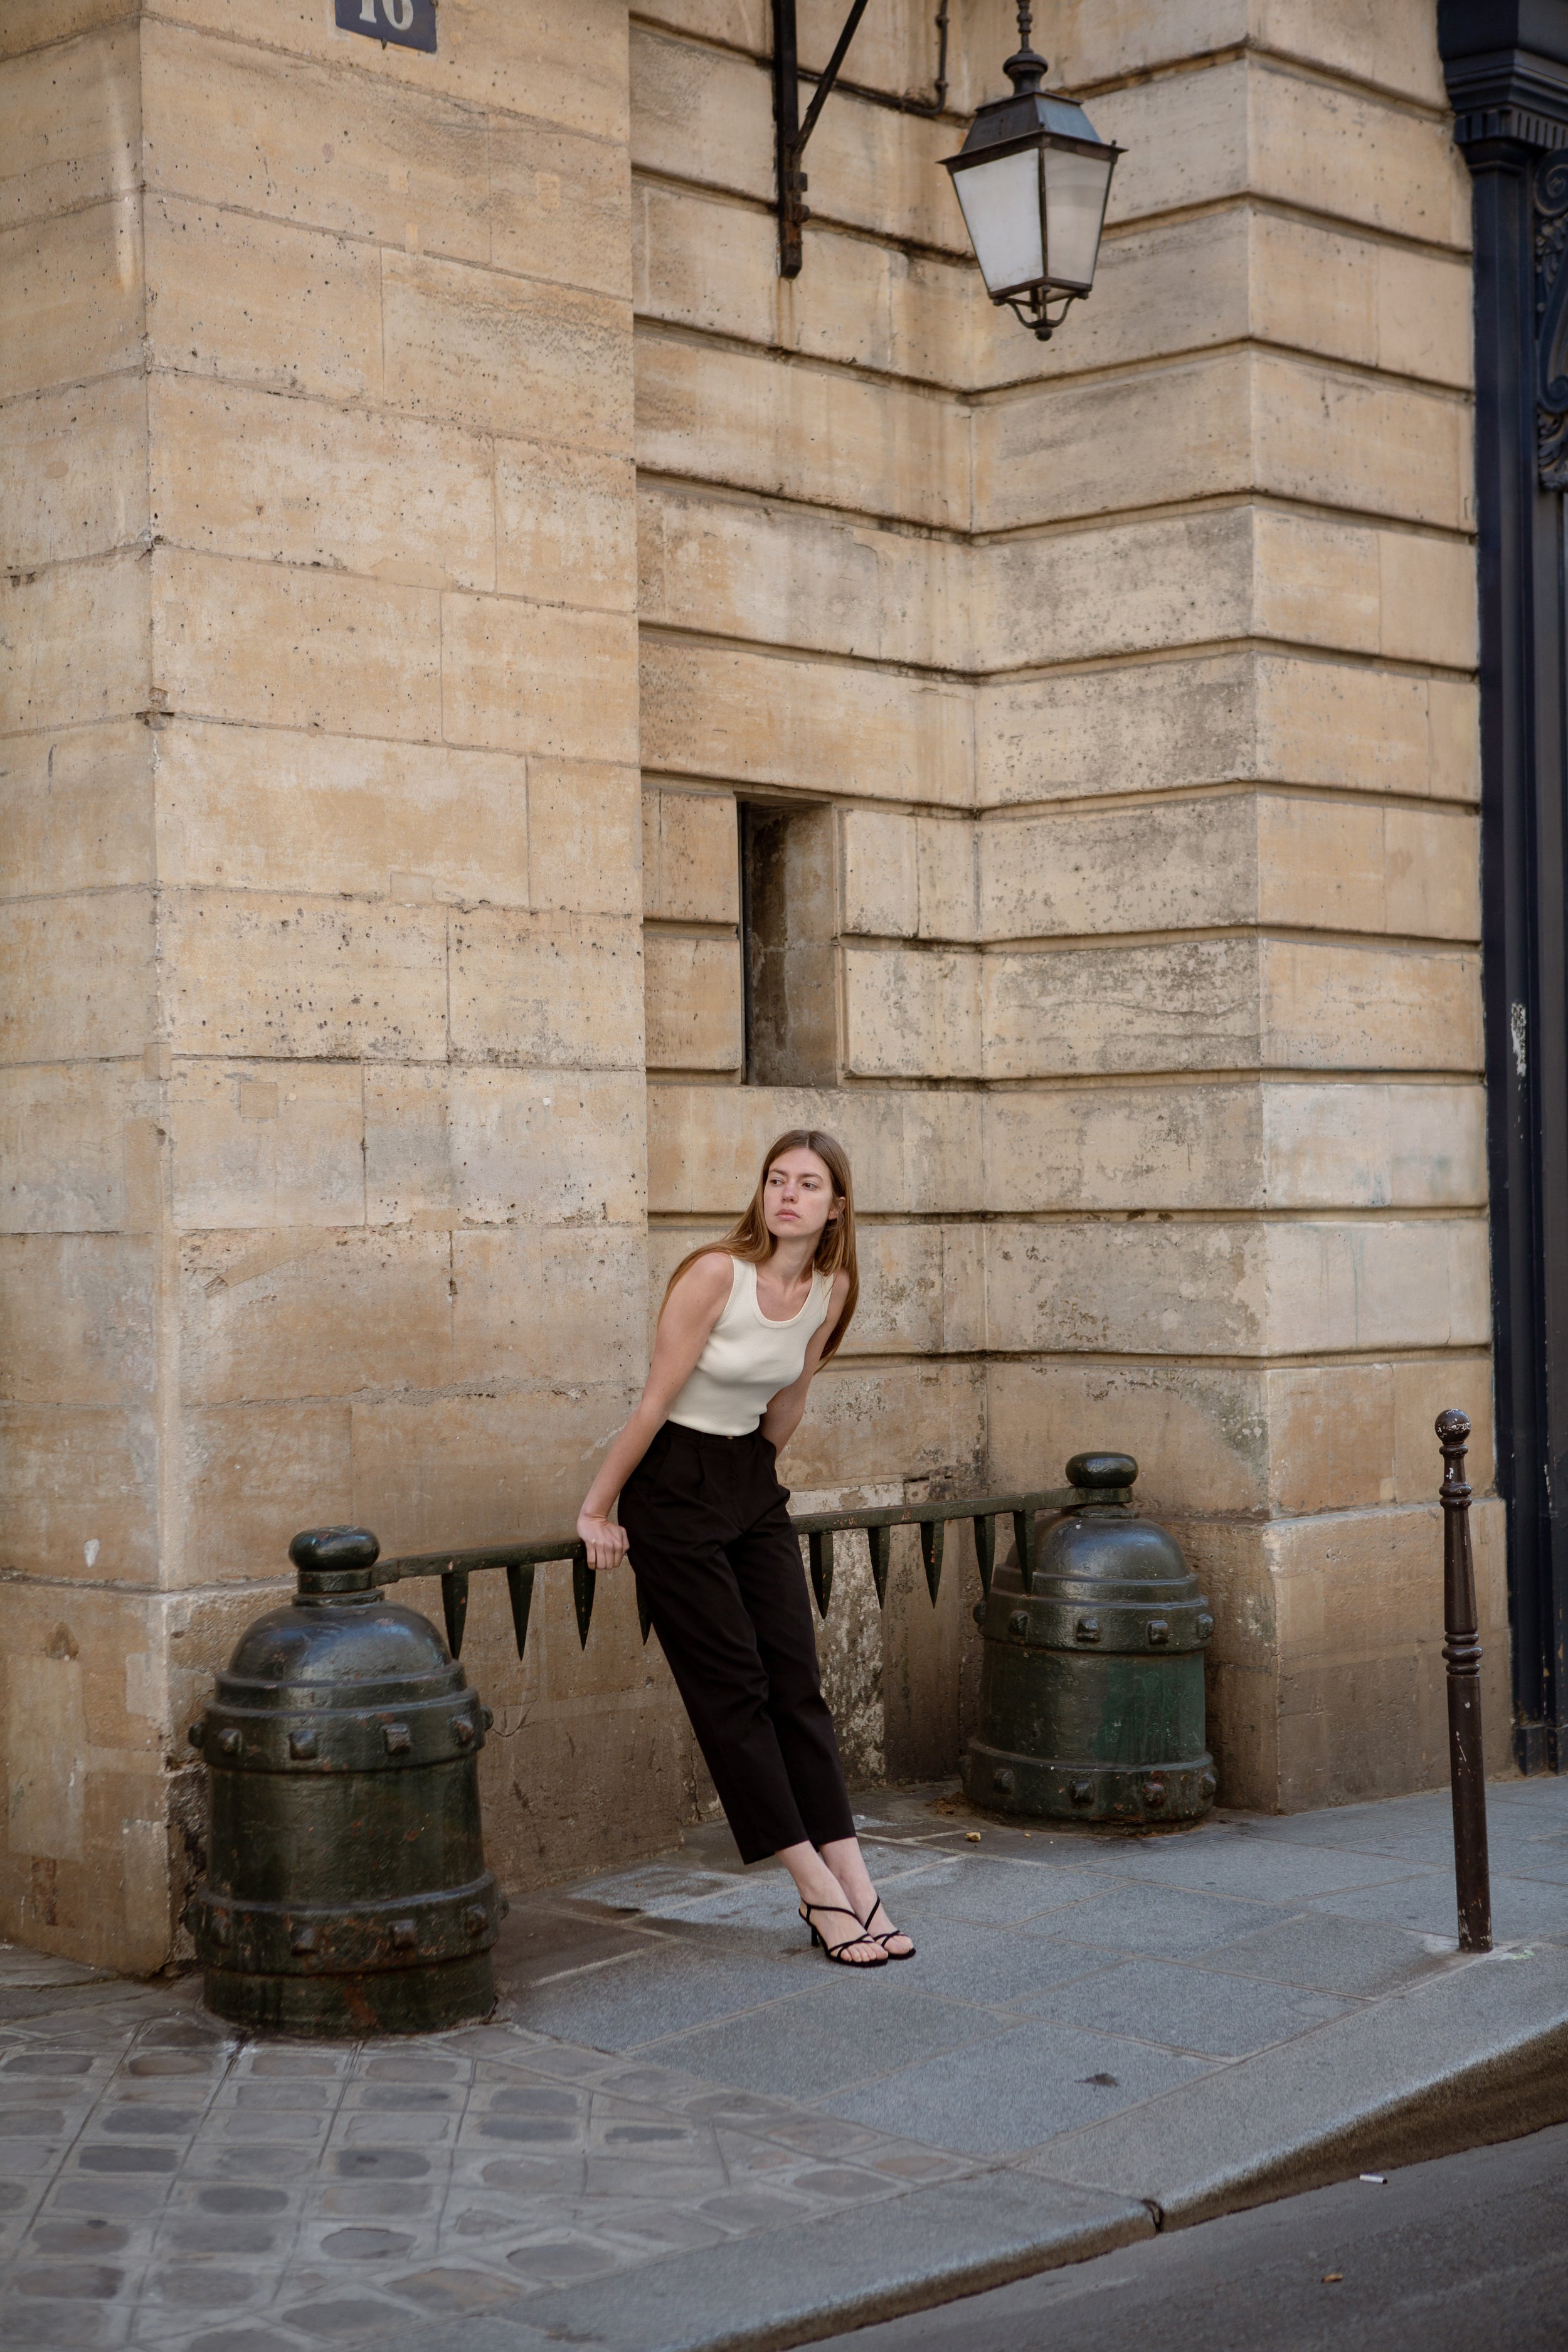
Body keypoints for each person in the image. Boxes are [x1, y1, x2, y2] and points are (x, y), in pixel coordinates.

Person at [576, 1130, 914, 1969]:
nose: (788, 1194)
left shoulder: (829, 1289)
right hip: (673, 1482)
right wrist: (596, 1507)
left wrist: (751, 1481)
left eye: (808, 1183)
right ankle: (817, 1889)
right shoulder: (713, 1274)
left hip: (748, 1479)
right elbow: (654, 1401)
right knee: (736, 1687)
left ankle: (856, 1877)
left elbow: (789, 1399)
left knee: (798, 1679)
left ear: (837, 1205)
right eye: (776, 1179)